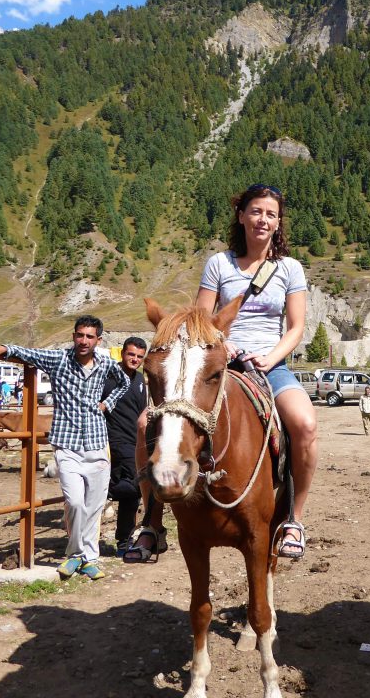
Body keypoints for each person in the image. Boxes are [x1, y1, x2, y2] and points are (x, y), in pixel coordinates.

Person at [128, 183, 318, 562]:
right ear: (241, 216)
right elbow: (200, 322)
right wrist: (220, 343)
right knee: (145, 423)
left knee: (305, 424)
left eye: (271, 214)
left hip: (269, 365)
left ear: (278, 223)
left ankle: (294, 518)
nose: (263, 219)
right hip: (217, 361)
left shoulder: (289, 269)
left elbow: (296, 326)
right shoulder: (219, 264)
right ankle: (151, 519)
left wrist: (270, 356)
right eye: (256, 211)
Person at [0, 315, 130, 581]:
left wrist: (108, 403)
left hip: (96, 445)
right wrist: (4, 350)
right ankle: (74, 555)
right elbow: (30, 354)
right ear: (74, 336)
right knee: (74, 502)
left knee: (94, 506)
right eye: (79, 335)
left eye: (89, 337)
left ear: (98, 340)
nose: (83, 341)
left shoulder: (106, 362)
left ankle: (88, 560)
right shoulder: (59, 360)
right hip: (67, 444)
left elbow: (124, 382)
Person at [104, 337, 147, 558]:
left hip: (136, 441)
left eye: (140, 356)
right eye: (131, 354)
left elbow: (143, 410)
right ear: (122, 354)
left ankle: (124, 538)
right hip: (115, 440)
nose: (135, 359)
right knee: (133, 488)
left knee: (134, 490)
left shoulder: (140, 380)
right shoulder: (108, 377)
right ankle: (123, 539)